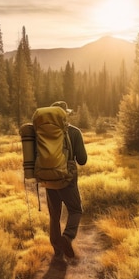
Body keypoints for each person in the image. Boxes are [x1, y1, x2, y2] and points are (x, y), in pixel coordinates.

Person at [45, 101, 87, 260]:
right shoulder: (74, 132)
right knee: (76, 210)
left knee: (54, 215)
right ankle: (67, 238)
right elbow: (82, 160)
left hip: (48, 178)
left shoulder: (44, 133)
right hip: (67, 179)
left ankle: (57, 250)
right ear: (65, 114)